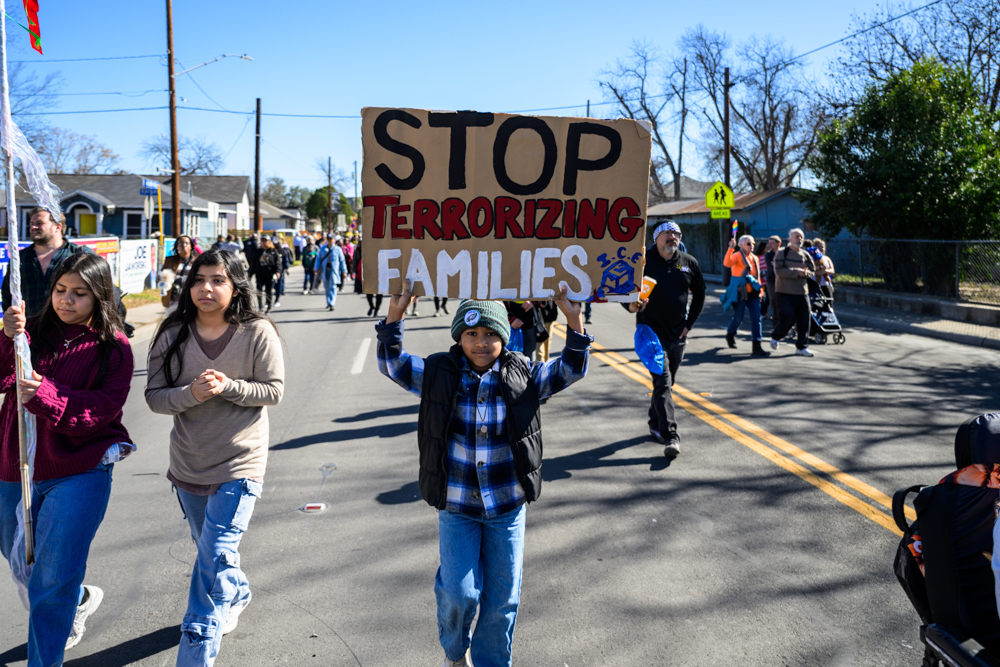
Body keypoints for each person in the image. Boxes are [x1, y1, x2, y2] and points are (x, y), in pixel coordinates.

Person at [376, 283, 592, 667]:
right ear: (459, 336)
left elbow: (569, 369)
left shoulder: (522, 373)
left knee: (502, 598)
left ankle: (493, 661)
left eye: (491, 334)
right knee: (459, 594)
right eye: (472, 333)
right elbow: (394, 364)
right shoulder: (440, 372)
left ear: (504, 339)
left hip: (506, 507)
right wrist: (395, 314)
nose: (480, 342)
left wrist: (573, 318)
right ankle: (455, 654)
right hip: (457, 506)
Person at [145, 250, 283, 667]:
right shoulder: (173, 333)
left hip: (241, 462)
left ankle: (196, 653)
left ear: (235, 286)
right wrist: (192, 395)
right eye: (199, 279)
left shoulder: (257, 332)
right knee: (211, 551)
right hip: (189, 462)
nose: (207, 288)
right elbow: (153, 397)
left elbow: (273, 391)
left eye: (218, 280)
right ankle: (237, 591)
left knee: (212, 557)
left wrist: (229, 386)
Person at [0, 253, 135, 664]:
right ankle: (74, 600)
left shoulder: (114, 347)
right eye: (60, 290)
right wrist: (7, 337)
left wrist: (45, 394)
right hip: (15, 465)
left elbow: (102, 408)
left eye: (80, 293)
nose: (67, 300)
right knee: (22, 559)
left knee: (53, 577)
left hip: (79, 469)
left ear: (100, 297)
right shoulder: (31, 333)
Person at [630, 221, 705, 458]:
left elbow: (701, 292)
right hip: (650, 332)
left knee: (667, 384)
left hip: (678, 333)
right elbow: (625, 290)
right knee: (663, 382)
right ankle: (671, 435)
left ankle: (654, 422)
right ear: (656, 238)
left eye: (676, 234)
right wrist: (631, 305)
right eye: (667, 233)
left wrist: (688, 325)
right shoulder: (642, 262)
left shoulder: (688, 262)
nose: (672, 237)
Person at [2, 207, 95, 317]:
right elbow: (8, 294)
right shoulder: (19, 258)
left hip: (71, 330)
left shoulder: (81, 255)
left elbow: (100, 292)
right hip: (29, 330)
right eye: (31, 223)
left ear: (57, 227)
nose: (33, 227)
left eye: (39, 223)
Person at [769, 228, 816, 357]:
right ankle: (776, 336)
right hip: (785, 291)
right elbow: (778, 271)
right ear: (790, 239)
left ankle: (801, 347)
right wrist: (796, 272)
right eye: (796, 237)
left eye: (801, 237)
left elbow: (813, 271)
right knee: (789, 317)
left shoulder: (806, 255)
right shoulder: (782, 253)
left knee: (805, 320)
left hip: (802, 292)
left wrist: (806, 273)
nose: (799, 239)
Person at [723, 235, 769, 357]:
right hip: (740, 292)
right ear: (741, 245)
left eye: (753, 243)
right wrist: (730, 249)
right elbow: (727, 263)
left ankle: (757, 345)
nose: (751, 246)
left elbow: (757, 276)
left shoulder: (755, 258)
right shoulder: (737, 255)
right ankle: (730, 334)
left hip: (753, 293)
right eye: (748, 244)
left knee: (756, 318)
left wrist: (760, 291)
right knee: (738, 317)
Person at [162, 236, 201, 308]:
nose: (184, 245)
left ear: (191, 246)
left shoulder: (198, 261)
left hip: (191, 299)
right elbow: (161, 277)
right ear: (177, 247)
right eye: (181, 243)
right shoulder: (170, 261)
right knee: (173, 318)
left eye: (186, 243)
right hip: (173, 299)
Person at [315, 235, 347, 312]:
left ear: (334, 240)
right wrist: (316, 268)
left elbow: (342, 261)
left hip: (334, 271)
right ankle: (328, 302)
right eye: (328, 239)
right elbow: (318, 259)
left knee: (332, 287)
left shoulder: (338, 249)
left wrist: (344, 271)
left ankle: (332, 303)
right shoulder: (323, 249)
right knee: (326, 288)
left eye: (331, 239)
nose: (330, 241)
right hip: (325, 271)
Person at [255, 237, 281, 314]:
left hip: (270, 274)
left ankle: (268, 307)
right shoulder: (258, 251)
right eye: (262, 240)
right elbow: (254, 263)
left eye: (265, 240)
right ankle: (260, 308)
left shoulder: (273, 251)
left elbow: (278, 263)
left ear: (269, 242)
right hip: (260, 274)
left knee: (268, 291)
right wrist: (250, 274)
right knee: (258, 291)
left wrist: (278, 271)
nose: (263, 242)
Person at [763, 235, 781, 321]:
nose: (770, 245)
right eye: (769, 243)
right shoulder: (768, 255)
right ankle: (776, 323)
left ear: (779, 244)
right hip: (772, 281)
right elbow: (772, 267)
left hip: (784, 281)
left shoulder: (783, 253)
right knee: (774, 301)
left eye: (772, 243)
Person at [274, 237, 293, 304]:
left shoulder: (282, 251)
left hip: (280, 270)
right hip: (272, 271)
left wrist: (287, 268)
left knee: (280, 282)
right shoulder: (271, 251)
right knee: (274, 284)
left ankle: (280, 292)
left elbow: (285, 260)